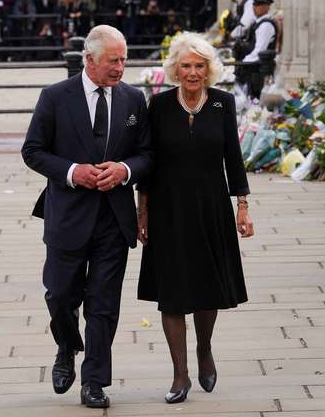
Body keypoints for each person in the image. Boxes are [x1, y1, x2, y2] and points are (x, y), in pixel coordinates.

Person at [21, 25, 152, 409]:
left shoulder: (132, 99)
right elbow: (32, 151)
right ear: (89, 60)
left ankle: (94, 381)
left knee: (103, 303)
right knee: (60, 295)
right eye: (113, 60)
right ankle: (66, 344)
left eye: (124, 59)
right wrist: (72, 171)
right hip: (67, 216)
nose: (121, 67)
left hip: (114, 217)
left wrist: (125, 171)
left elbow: (147, 154)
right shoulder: (55, 97)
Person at [137, 32, 254, 404]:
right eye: (186, 65)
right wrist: (143, 210)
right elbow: (148, 160)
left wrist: (243, 206)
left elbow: (232, 157)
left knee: (207, 289)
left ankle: (204, 348)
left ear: (208, 69)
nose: (192, 72)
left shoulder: (222, 103)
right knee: (171, 293)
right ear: (175, 68)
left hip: (211, 207)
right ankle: (179, 374)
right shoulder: (158, 106)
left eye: (199, 66)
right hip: (168, 209)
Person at [241, 0, 277, 99]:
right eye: (254, 5)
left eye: (258, 5)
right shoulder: (258, 22)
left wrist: (243, 62)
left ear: (266, 7)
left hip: (260, 69)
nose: (254, 7)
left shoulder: (266, 25)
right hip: (256, 68)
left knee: (256, 98)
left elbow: (260, 50)